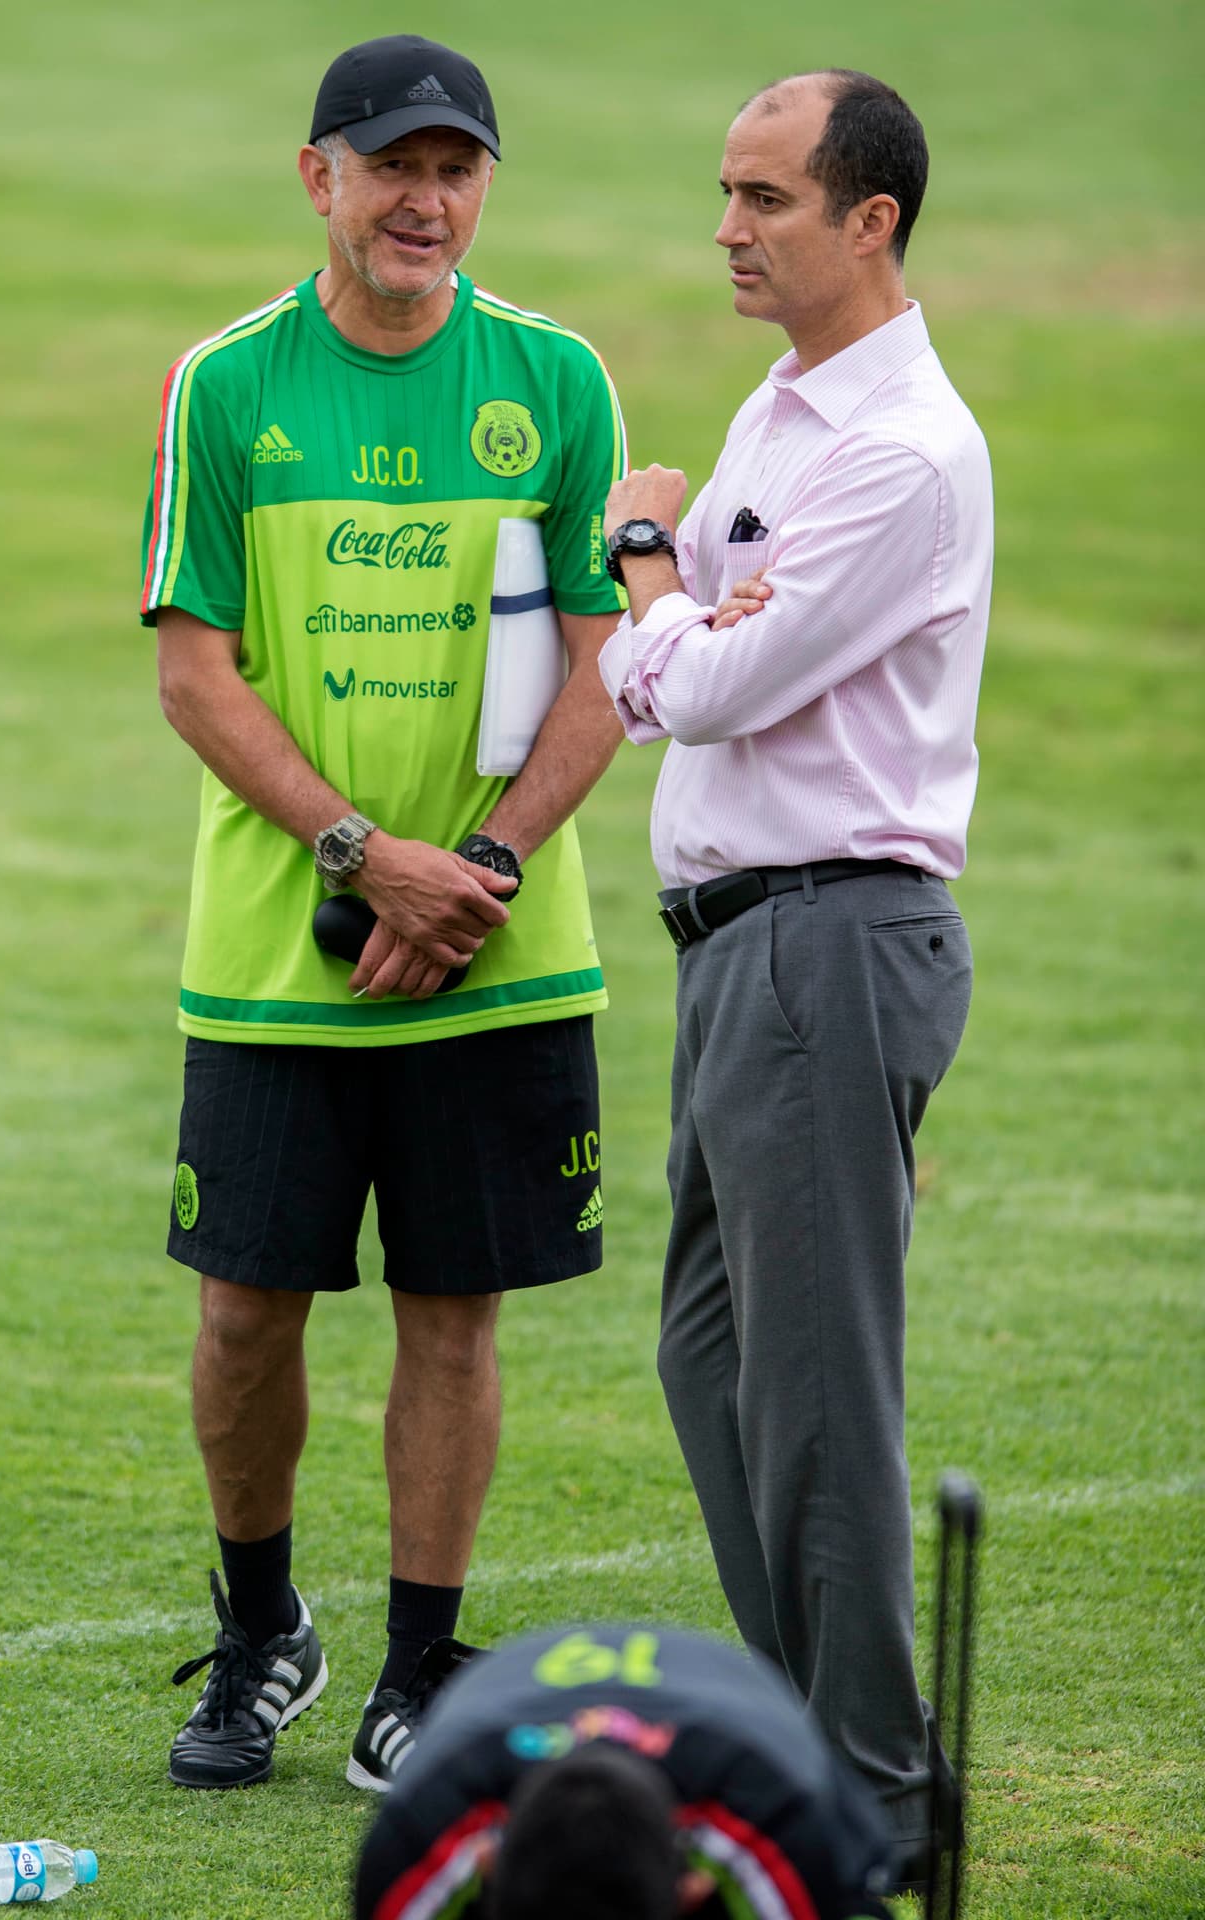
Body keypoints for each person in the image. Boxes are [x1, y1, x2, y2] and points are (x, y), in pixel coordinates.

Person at [139, 33, 627, 1792]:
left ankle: (423, 1665)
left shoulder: (556, 379)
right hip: (280, 954)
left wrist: (473, 871)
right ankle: (266, 1629)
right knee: (243, 1315)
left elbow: (611, 664)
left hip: (495, 954)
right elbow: (195, 675)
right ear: (319, 178)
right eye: (393, 167)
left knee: (452, 1310)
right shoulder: (227, 385)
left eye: (457, 170)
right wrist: (365, 856)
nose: (427, 202)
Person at [596, 70, 993, 1885]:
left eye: (766, 198)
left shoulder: (899, 453)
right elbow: (677, 677)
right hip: (744, 950)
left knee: (818, 1396)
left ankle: (872, 1806)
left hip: (829, 940)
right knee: (710, 1360)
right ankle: (809, 1754)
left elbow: (696, 683)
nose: (729, 230)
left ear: (870, 219)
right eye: (727, 193)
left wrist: (649, 563)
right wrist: (684, 621)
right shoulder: (784, 407)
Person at [352, 1623, 897, 1918]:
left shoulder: (792, 1827)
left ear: (693, 1895)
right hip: (515, 1691)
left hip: (734, 1711)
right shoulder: (423, 1834)